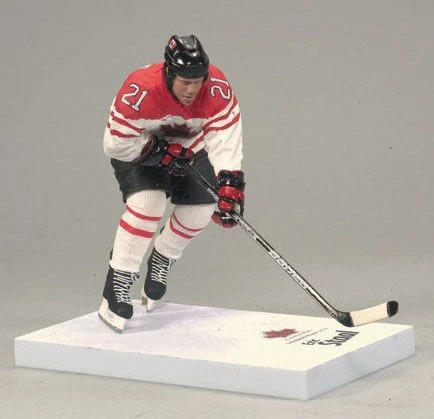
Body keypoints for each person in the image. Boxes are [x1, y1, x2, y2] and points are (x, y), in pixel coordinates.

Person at [98, 34, 245, 332]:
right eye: (185, 81)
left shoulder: (216, 88)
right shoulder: (140, 89)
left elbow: (224, 135)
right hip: (139, 149)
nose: (192, 89)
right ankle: (118, 279)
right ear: (169, 72)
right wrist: (158, 152)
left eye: (197, 81)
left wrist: (229, 183)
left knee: (202, 208)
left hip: (189, 147)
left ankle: (162, 257)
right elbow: (115, 143)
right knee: (148, 205)